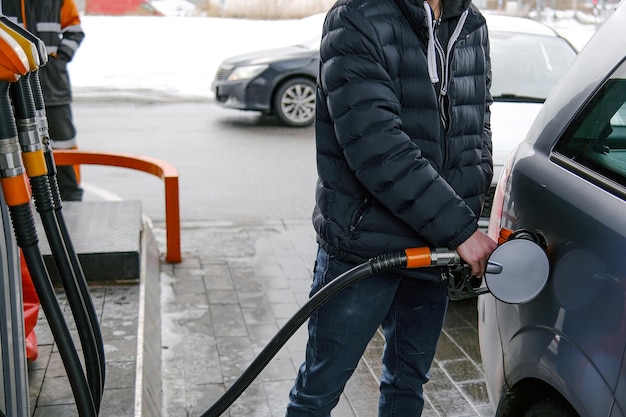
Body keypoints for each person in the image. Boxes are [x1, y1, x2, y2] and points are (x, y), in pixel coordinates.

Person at [286, 0, 498, 415]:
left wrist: (469, 199)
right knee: (321, 387)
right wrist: (461, 229)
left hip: (433, 250)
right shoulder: (356, 16)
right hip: (366, 246)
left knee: (407, 383)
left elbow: (478, 122)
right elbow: (378, 145)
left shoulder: (470, 24)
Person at [2, 0, 85, 201]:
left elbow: (75, 30)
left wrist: (61, 56)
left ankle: (71, 194)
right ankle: (21, 196)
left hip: (53, 87)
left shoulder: (59, 1)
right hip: (12, 88)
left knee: (63, 142)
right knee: (13, 146)